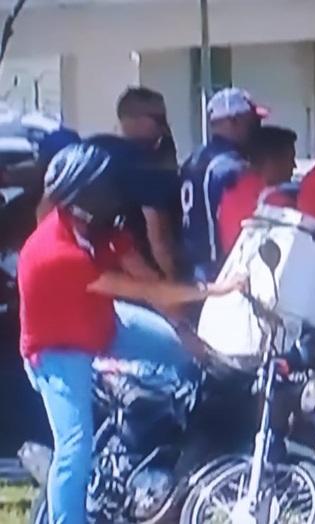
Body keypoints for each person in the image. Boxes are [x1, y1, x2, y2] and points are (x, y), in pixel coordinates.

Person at [18, 143, 243, 524]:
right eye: (111, 185)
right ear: (89, 192)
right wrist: (215, 290)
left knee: (189, 358)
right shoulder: (57, 253)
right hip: (57, 350)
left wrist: (184, 331)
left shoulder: (98, 227)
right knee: (75, 446)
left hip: (104, 322)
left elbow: (145, 276)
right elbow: (144, 291)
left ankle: (174, 451)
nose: (120, 193)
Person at [180, 87, 266, 281]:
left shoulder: (193, 159)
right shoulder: (232, 166)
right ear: (234, 121)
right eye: (252, 121)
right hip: (219, 267)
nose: (257, 127)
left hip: (192, 265)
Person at [218, 126, 298, 254]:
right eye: (290, 159)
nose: (294, 166)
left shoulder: (229, 193)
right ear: (272, 161)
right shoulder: (277, 203)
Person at [116, 87, 178, 170]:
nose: (163, 127)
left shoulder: (159, 157)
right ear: (136, 119)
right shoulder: (109, 163)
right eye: (159, 119)